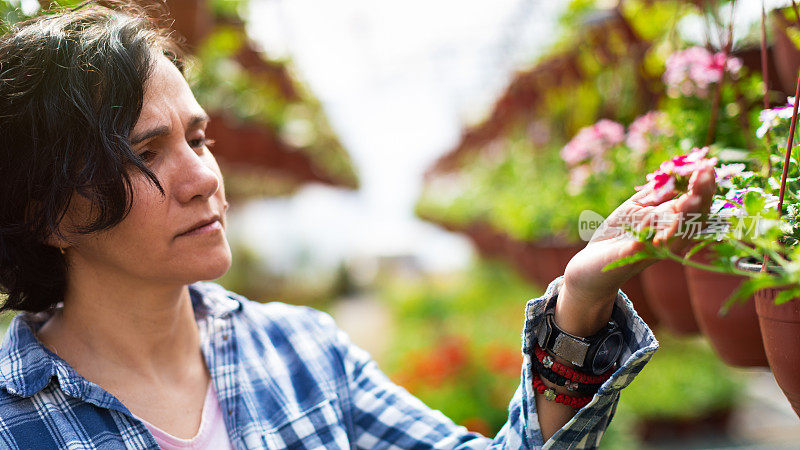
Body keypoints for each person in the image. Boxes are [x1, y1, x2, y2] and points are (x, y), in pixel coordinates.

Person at [0, 3, 716, 449]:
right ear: (50, 210)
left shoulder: (302, 353)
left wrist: (581, 301)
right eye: (145, 153)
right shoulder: (14, 421)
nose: (204, 177)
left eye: (200, 138)